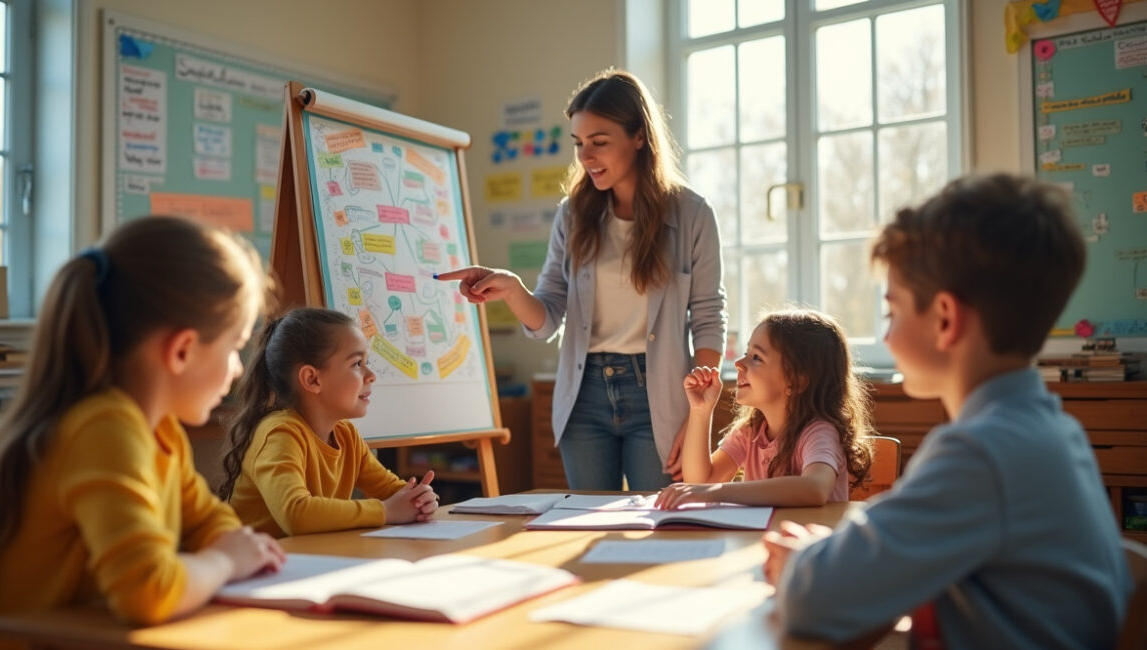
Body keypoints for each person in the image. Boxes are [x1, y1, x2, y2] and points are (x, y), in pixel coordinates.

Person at [762, 174, 1132, 648]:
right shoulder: (1050, 428)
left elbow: (812, 600)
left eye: (893, 312)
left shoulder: (979, 451)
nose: (888, 336)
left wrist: (805, 560)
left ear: (945, 319)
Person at [0, 217, 286, 650]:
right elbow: (147, 591)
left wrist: (228, 543)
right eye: (234, 346)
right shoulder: (105, 429)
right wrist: (225, 560)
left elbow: (206, 517)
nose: (238, 369)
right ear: (182, 349)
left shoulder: (158, 430)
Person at [438, 69, 726, 491]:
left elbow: (708, 316)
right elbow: (547, 318)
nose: (586, 157)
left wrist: (697, 415)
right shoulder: (573, 214)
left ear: (640, 137)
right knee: (585, 525)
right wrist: (513, 289)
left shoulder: (692, 214)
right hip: (584, 394)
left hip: (660, 395)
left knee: (662, 523)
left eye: (599, 142)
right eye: (579, 144)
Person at [219, 307, 438, 536]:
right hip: (255, 568)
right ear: (312, 379)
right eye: (356, 364)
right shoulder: (280, 433)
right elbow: (296, 514)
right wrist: (385, 511)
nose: (371, 375)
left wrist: (418, 498)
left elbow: (390, 491)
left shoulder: (346, 435)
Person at [655, 308, 874, 509]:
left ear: (796, 381)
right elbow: (700, 482)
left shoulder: (819, 432)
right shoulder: (751, 432)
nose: (739, 363)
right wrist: (700, 411)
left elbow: (814, 488)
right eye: (746, 352)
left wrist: (715, 492)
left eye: (756, 357)